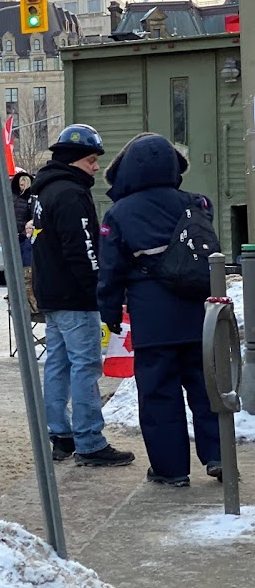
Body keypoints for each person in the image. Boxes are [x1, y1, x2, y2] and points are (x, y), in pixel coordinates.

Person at [96, 133, 222, 486]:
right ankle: (217, 455)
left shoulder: (119, 213)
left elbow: (111, 271)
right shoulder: (198, 203)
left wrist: (109, 314)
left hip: (153, 320)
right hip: (200, 316)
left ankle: (171, 470)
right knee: (207, 388)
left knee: (159, 395)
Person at [31, 124, 135, 468]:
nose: (96, 167)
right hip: (75, 297)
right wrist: (99, 289)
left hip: (52, 294)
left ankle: (61, 434)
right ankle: (90, 440)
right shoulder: (72, 195)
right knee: (85, 365)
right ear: (75, 160)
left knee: (58, 365)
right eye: (92, 160)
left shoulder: (46, 191)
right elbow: (84, 249)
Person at [11, 171, 35, 268]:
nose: (22, 187)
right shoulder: (13, 198)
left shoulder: (31, 199)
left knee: (25, 265)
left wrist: (25, 234)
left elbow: (34, 219)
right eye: (21, 185)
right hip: (16, 236)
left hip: (25, 237)